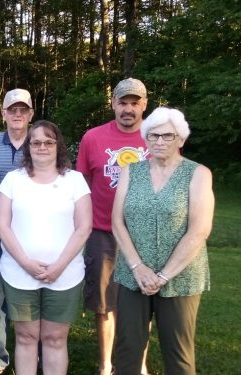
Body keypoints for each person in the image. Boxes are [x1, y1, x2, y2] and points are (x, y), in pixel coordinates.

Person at [112, 107, 214, 375]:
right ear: (145, 138)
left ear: (180, 139)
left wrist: (163, 276)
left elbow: (199, 230)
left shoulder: (198, 174)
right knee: (127, 350)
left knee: (178, 354)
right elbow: (117, 223)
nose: (159, 141)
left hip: (181, 278)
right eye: (153, 135)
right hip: (133, 275)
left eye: (167, 136)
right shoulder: (130, 171)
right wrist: (138, 268)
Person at [0, 120, 92, 375]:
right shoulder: (12, 180)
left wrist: (58, 267)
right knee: (26, 337)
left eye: (48, 142)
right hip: (19, 274)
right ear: (28, 147)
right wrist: (26, 263)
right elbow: (2, 226)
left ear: (58, 145)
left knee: (55, 338)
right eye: (36, 142)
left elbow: (84, 227)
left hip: (65, 275)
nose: (42, 147)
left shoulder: (75, 180)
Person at [76, 77, 151, 375]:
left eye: (134, 103)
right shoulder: (92, 138)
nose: (128, 109)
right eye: (123, 102)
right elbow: (80, 184)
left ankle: (138, 363)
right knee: (103, 303)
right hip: (102, 232)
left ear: (144, 105)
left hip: (143, 235)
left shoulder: (156, 137)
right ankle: (106, 364)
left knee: (141, 303)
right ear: (113, 104)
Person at [0, 88, 35, 375]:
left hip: (34, 228)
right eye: (12, 109)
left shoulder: (40, 142)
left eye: (23, 109)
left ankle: (32, 353)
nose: (17, 114)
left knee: (33, 288)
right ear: (3, 113)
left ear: (31, 114)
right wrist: (5, 213)